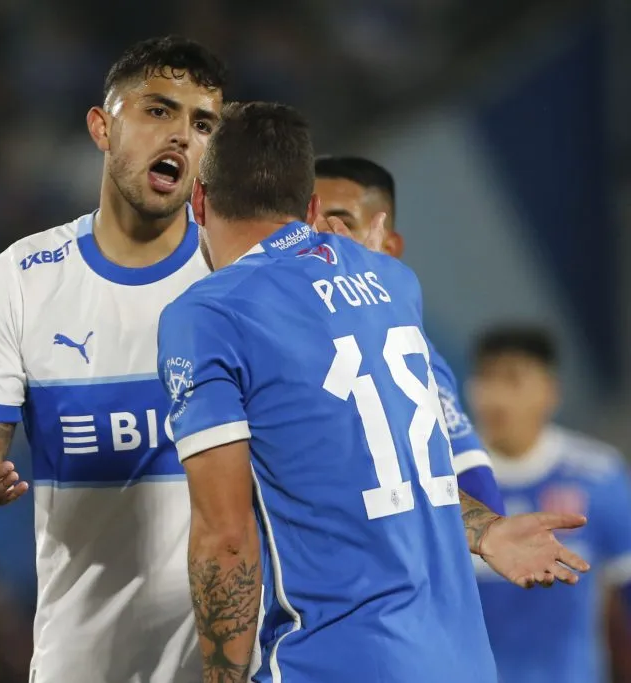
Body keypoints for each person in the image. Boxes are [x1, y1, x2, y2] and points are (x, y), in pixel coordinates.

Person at [156, 101, 590, 682]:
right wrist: (484, 529)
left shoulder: (208, 313)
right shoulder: (392, 282)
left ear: (198, 202)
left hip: (334, 662)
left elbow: (226, 537)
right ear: (311, 207)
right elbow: (386, 475)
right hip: (461, 664)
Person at [0, 36, 226, 681]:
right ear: (102, 127)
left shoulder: (236, 276)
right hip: (82, 663)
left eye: (202, 124)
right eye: (158, 111)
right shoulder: (21, 279)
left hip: (229, 663)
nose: (181, 135)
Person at [313, 155, 505, 514]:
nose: (321, 239)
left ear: (388, 249)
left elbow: (476, 485)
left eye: (342, 223)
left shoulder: (412, 354)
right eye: (306, 222)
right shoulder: (266, 332)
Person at [467, 325, 631, 683]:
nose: (496, 397)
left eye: (513, 380)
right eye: (485, 379)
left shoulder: (598, 475)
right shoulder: (446, 480)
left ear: (550, 391)